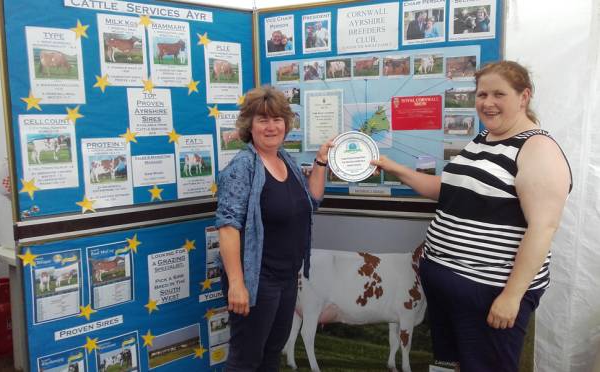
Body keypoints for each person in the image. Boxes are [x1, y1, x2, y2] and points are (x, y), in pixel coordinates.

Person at [372, 61, 572, 371]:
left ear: (524, 96)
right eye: (481, 95)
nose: (487, 103)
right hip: (444, 281)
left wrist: (512, 296)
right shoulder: (483, 139)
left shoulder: (537, 149)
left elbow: (543, 228)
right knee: (449, 365)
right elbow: (448, 190)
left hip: (489, 291)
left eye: (498, 94)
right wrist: (394, 168)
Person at [216, 85, 331, 371]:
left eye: (277, 119)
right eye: (263, 120)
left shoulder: (285, 160)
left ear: (286, 124)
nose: (271, 127)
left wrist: (320, 162)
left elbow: (312, 201)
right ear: (249, 126)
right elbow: (227, 227)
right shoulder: (242, 167)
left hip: (286, 278)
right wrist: (237, 284)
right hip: (256, 281)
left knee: (271, 355)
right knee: (245, 361)